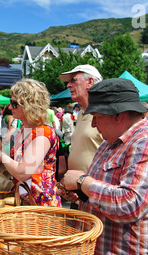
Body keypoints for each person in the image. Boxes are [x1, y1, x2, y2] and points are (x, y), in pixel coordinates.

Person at [58, 78, 148, 255]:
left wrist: (83, 182)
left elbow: (130, 204)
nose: (93, 124)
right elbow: (105, 190)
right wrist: (80, 194)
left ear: (119, 116)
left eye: (98, 117)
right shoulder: (109, 144)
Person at [0, 79, 61, 207]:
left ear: (30, 105)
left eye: (14, 103)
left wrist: (1, 157)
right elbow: (15, 164)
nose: (10, 107)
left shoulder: (43, 132)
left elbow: (23, 172)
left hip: (40, 207)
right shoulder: (23, 130)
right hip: (23, 201)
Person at [59, 64, 104, 207]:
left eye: (73, 80)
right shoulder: (82, 113)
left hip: (96, 192)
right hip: (79, 191)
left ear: (90, 82)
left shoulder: (104, 114)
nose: (68, 85)